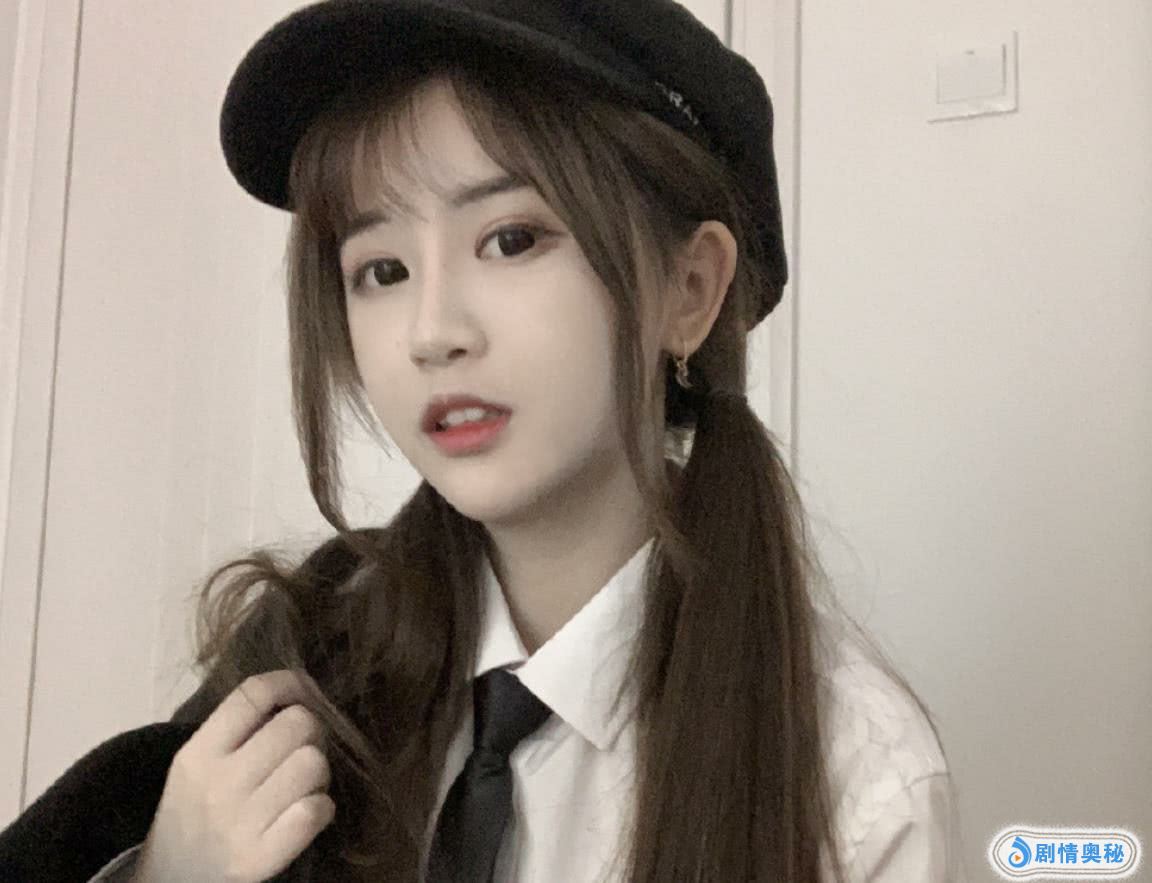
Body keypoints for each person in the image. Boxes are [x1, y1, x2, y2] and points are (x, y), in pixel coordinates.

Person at [0, 0, 962, 880]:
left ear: (689, 289)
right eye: (380, 269)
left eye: (510, 239)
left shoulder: (853, 776)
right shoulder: (303, 667)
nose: (431, 331)